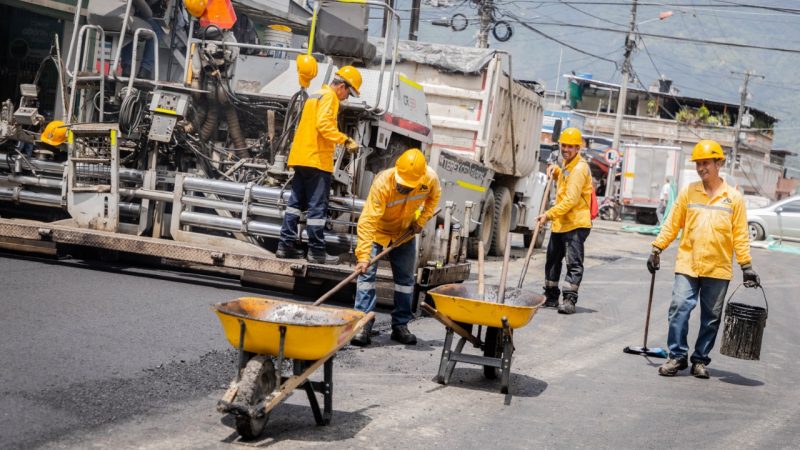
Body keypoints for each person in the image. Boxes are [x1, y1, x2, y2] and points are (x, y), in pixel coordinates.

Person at [648, 139, 760, 379]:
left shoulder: (734, 198)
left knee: (711, 317)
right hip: (688, 262)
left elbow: (740, 235)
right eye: (698, 164)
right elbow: (673, 223)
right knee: (679, 307)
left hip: (718, 268)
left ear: (719, 163)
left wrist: (746, 265)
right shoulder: (689, 192)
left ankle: (699, 360)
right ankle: (677, 356)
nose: (701, 168)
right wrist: (657, 248)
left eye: (706, 163)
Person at [350, 149, 441, 346]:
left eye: (409, 187)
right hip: (378, 233)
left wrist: (421, 220)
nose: (404, 189)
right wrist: (363, 256)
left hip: (404, 235)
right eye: (402, 185)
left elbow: (434, 198)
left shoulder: (430, 179)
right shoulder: (383, 182)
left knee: (405, 282)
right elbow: (367, 222)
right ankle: (363, 324)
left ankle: (400, 326)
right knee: (366, 278)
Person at [276, 66, 362, 264]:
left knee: (295, 205)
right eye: (348, 92)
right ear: (341, 86)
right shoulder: (330, 97)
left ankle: (284, 246)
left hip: (301, 158)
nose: (346, 97)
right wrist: (346, 140)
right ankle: (316, 252)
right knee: (317, 209)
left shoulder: (316, 94)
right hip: (317, 160)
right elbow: (324, 126)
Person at [536, 127, 593, 315]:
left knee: (573, 263)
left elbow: (571, 199)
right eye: (564, 145)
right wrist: (557, 171)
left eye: (570, 146)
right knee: (552, 260)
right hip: (562, 223)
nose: (566, 149)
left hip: (575, 224)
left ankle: (569, 300)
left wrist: (548, 214)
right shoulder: (568, 165)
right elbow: (566, 180)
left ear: (578, 148)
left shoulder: (579, 168)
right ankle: (551, 297)